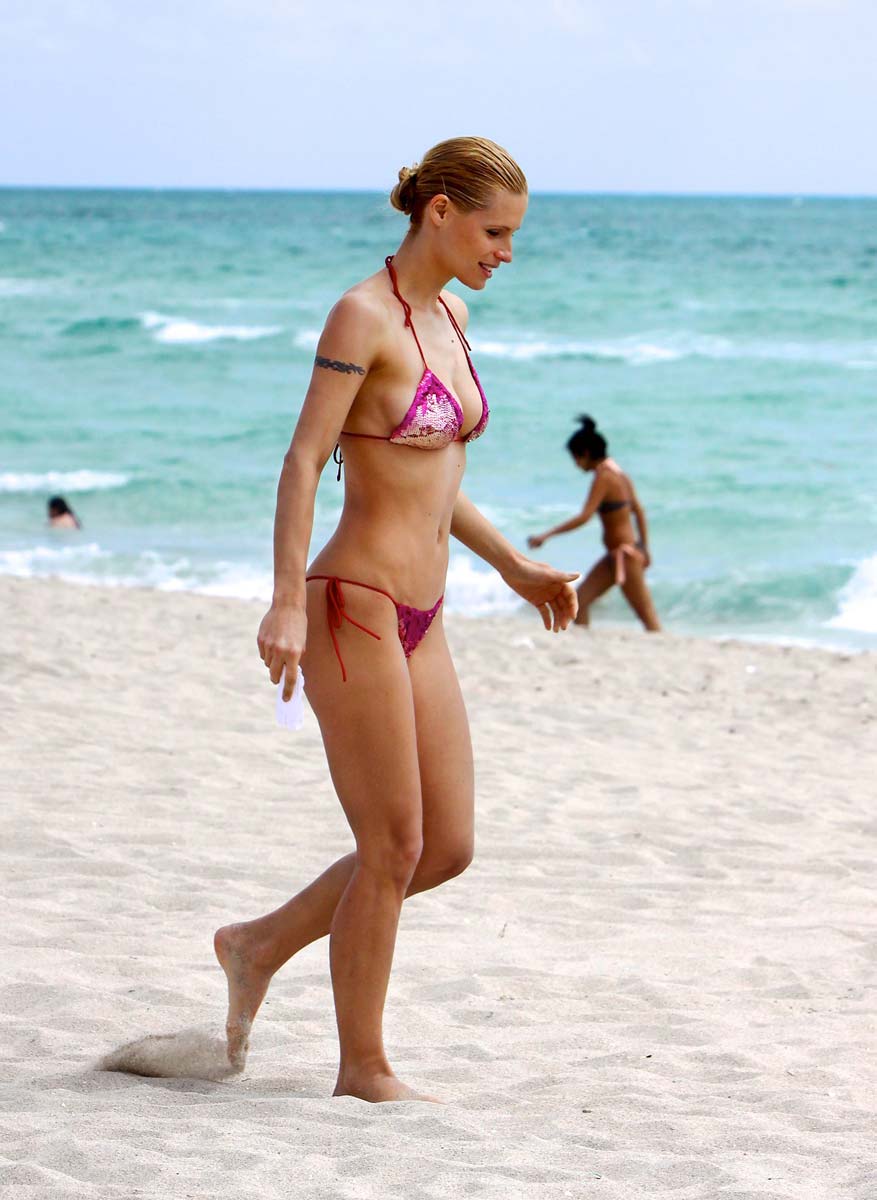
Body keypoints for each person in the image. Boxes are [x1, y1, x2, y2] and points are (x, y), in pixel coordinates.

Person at [213, 137, 579, 1103]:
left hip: (427, 611)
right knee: (392, 846)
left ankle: (257, 945)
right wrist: (284, 599)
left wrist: (513, 565)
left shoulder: (452, 315)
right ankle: (362, 1069)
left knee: (445, 846)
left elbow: (435, 474)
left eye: (513, 235)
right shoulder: (361, 315)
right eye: (494, 232)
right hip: (352, 604)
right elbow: (303, 459)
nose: (506, 252)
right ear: (439, 212)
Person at [527, 416, 660, 632]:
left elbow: (584, 517)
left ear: (586, 453)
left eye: (576, 458)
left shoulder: (604, 477)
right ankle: (585, 644)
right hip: (617, 555)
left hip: (625, 557)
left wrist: (546, 535)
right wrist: (644, 547)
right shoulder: (620, 474)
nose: (576, 464)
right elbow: (639, 512)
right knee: (580, 602)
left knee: (648, 619)